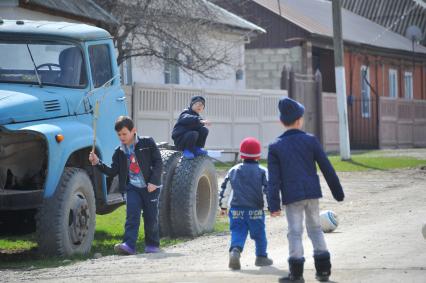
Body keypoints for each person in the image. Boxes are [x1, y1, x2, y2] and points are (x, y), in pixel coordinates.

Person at [267, 97, 345, 283]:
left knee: (294, 232)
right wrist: (337, 192)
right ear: (300, 119)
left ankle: (296, 274)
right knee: (315, 229)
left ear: (281, 121)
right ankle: (323, 271)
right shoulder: (310, 141)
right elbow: (327, 167)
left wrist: (273, 205)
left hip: (292, 197)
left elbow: (273, 180)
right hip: (312, 193)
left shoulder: (275, 146)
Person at [89, 116, 163, 255]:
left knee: (150, 217)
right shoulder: (119, 151)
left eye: (124, 134)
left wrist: (154, 181)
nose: (121, 137)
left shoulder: (147, 142)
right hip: (132, 188)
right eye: (119, 135)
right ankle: (129, 245)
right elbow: (112, 171)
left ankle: (152, 245)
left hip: (150, 187)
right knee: (132, 216)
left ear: (133, 131)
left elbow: (158, 163)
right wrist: (98, 162)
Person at [219, 137, 273, 270]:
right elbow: (268, 191)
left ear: (241, 154)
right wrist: (270, 207)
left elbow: (225, 189)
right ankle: (261, 257)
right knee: (259, 234)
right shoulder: (262, 171)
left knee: (238, 232)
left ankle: (235, 251)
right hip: (255, 210)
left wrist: (223, 206)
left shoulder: (233, 170)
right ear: (258, 156)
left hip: (236, 210)